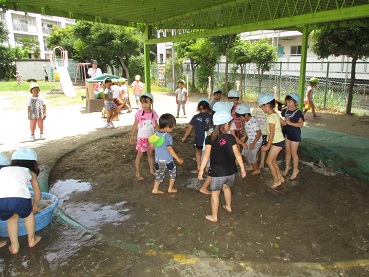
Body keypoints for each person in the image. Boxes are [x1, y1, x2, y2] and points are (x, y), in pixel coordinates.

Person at [198, 110, 246, 223]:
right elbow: (237, 154)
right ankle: (228, 206)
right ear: (226, 125)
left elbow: (206, 156)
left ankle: (214, 216)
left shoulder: (210, 139)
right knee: (226, 187)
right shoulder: (231, 138)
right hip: (231, 171)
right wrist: (242, 169)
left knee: (215, 193)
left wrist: (201, 170)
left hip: (217, 172)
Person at [0, 148, 42, 254]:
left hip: (1, 200)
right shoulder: (28, 171)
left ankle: (14, 246)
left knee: (12, 218)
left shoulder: (3, 170)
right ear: (33, 163)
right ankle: (32, 240)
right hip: (20, 200)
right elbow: (37, 193)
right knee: (28, 215)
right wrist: (35, 205)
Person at [150, 113, 184, 194]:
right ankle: (170, 188)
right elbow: (170, 149)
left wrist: (159, 150)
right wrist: (177, 158)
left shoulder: (156, 134)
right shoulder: (168, 137)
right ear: (167, 127)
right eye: (171, 127)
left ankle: (155, 189)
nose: (172, 129)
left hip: (158, 159)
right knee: (172, 173)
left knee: (159, 175)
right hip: (168, 160)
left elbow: (151, 146)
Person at [258, 93, 285, 189]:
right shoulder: (274, 114)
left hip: (277, 142)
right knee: (273, 161)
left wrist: (267, 146)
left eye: (261, 105)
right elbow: (283, 123)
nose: (260, 108)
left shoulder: (271, 117)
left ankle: (276, 180)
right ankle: (280, 178)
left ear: (267, 105)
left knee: (269, 162)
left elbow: (272, 133)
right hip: (278, 141)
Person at [129, 92, 159, 180]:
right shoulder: (139, 113)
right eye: (142, 102)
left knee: (150, 154)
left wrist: (162, 133)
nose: (144, 105)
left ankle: (151, 170)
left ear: (151, 102)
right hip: (142, 138)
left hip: (151, 138)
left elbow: (156, 125)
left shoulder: (153, 113)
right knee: (140, 155)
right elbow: (135, 125)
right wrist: (132, 136)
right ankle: (137, 173)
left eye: (146, 102)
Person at [181, 98, 211, 173]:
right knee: (208, 153)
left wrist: (184, 137)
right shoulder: (211, 117)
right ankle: (207, 168)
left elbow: (189, 129)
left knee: (198, 152)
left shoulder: (195, 117)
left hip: (199, 139)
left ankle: (198, 166)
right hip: (208, 140)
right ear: (207, 108)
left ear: (198, 108)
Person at [281, 93, 304, 181]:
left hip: (295, 135)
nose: (288, 104)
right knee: (287, 152)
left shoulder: (298, 113)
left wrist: (290, 123)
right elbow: (283, 116)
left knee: (294, 153)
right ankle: (287, 167)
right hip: (287, 134)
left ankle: (295, 169)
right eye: (287, 102)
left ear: (296, 103)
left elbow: (301, 124)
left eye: (290, 102)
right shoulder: (286, 111)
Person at [235, 104, 262, 175]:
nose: (240, 119)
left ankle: (257, 169)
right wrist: (244, 136)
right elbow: (249, 130)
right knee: (244, 153)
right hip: (250, 139)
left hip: (257, 140)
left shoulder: (253, 121)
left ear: (246, 115)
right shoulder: (246, 121)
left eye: (240, 117)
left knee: (252, 155)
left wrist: (253, 143)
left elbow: (258, 133)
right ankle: (251, 166)